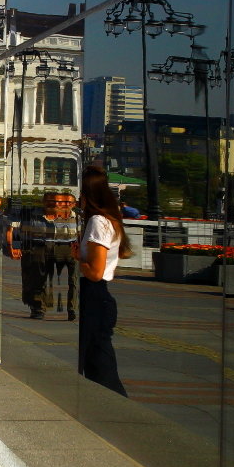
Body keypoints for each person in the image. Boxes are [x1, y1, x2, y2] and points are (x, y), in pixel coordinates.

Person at [74, 166, 131, 397]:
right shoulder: (109, 220)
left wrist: (78, 258)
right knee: (96, 361)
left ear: (87, 194)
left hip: (96, 294)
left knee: (100, 366)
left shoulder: (98, 221)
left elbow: (95, 272)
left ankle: (120, 410)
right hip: (98, 296)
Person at [15, 194, 53, 319]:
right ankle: (34, 304)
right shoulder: (25, 210)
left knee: (39, 278)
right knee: (28, 278)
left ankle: (38, 307)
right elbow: (16, 227)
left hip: (43, 247)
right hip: (29, 247)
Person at [46, 193, 80, 321]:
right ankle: (42, 306)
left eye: (69, 203)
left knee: (73, 281)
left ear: (73, 204)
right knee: (47, 278)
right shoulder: (52, 216)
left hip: (72, 249)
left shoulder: (78, 218)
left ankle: (71, 309)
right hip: (55, 248)